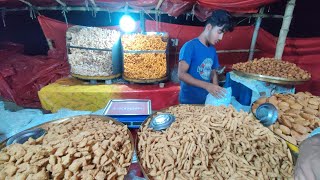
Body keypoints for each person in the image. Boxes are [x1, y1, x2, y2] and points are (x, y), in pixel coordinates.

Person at [178, 9, 234, 104]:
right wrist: (207, 86)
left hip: (205, 101)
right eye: (219, 32)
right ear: (208, 27)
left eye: (223, 34)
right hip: (188, 102)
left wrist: (216, 88)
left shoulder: (212, 50)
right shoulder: (190, 46)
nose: (221, 38)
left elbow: (212, 71)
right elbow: (181, 74)